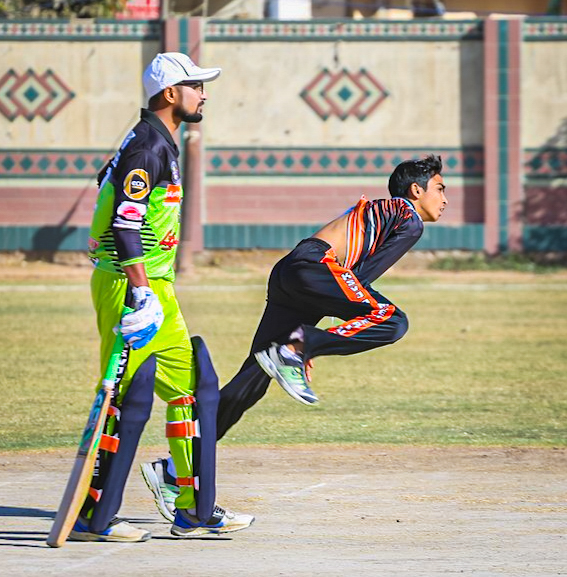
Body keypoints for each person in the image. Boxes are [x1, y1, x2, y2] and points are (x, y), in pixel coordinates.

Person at [140, 154, 447, 521]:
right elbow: (361, 279)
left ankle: (174, 470)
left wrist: (310, 343)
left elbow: (349, 280)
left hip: (294, 271)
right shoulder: (408, 217)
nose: (445, 199)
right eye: (440, 189)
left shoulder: (384, 211)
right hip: (316, 268)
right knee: (392, 320)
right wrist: (308, 344)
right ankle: (291, 351)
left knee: (250, 383)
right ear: (416, 190)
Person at [69, 52, 254, 542]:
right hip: (130, 287)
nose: (204, 95)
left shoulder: (156, 142)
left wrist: (152, 290)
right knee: (123, 399)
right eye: (196, 86)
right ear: (170, 93)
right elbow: (124, 223)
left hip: (155, 288)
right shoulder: (147, 147)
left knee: (190, 390)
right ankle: (93, 515)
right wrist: (141, 291)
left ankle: (193, 508)